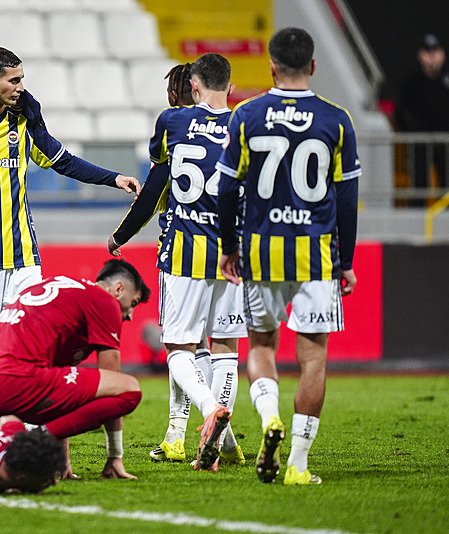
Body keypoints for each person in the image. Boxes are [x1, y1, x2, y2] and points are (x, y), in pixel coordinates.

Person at [216, 27, 361, 485]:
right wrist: (347, 261)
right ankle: (298, 463)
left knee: (261, 345)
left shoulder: (247, 115)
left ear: (272, 66)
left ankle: (268, 420)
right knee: (313, 356)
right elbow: (347, 199)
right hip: (316, 255)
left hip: (261, 251)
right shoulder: (336, 120)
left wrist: (229, 248)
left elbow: (226, 188)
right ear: (313, 66)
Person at [0, 46, 141, 347]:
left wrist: (114, 178)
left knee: (27, 333)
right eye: (13, 81)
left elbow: (63, 161)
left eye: (21, 79)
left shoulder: (23, 122)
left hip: (21, 256)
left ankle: (20, 394)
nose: (21, 88)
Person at [107, 55, 243, 472]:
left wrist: (121, 236)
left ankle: (201, 418)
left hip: (184, 251)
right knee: (224, 350)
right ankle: (205, 436)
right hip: (233, 254)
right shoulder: (245, 124)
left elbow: (154, 189)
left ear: (191, 88)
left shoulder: (172, 125)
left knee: (181, 349)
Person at [0, 259, 149, 480]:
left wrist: (62, 459)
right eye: (134, 302)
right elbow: (112, 380)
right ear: (119, 289)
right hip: (10, 380)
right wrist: (115, 455)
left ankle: (0, 435)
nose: (130, 315)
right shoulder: (105, 301)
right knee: (129, 389)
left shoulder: (61, 290)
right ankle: (37, 438)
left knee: (65, 381)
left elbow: (60, 381)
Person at [395, 33, 449, 205]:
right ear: (420, 55)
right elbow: (400, 113)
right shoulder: (411, 84)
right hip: (420, 143)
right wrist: (409, 135)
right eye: (427, 52)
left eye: (436, 51)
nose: (432, 57)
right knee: (419, 185)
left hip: (446, 143)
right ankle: (417, 224)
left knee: (446, 183)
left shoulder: (446, 81)